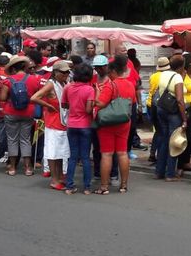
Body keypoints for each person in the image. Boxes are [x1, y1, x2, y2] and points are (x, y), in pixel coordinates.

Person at [93, 56, 136, 194]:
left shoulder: (110, 85)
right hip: (124, 122)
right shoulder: (130, 84)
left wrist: (97, 94)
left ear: (112, 71)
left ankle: (104, 187)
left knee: (107, 155)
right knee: (122, 153)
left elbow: (100, 103)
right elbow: (132, 102)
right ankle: (124, 185)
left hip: (107, 123)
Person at [30, 61, 70, 190]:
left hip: (63, 122)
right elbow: (34, 97)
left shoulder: (64, 83)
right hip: (53, 124)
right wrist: (48, 106)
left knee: (61, 153)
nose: (66, 74)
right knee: (53, 153)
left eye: (67, 72)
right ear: (56, 72)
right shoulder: (51, 84)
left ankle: (59, 177)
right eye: (63, 72)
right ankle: (54, 180)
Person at [0, 56, 41, 176]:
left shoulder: (8, 80)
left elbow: (2, 97)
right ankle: (28, 168)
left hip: (11, 112)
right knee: (26, 139)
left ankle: (12, 167)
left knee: (12, 140)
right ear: (25, 67)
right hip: (28, 112)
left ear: (13, 68)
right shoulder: (33, 79)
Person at [61, 63, 95, 195]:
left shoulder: (68, 87)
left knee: (73, 157)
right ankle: (86, 187)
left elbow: (64, 104)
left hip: (71, 124)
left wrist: (73, 106)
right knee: (85, 157)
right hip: (85, 125)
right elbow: (88, 110)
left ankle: (69, 186)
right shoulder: (89, 89)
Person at [155, 56, 187, 182]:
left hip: (161, 108)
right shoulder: (177, 77)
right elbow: (179, 100)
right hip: (173, 111)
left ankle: (159, 171)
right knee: (173, 142)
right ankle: (170, 174)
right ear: (181, 66)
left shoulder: (163, 74)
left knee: (163, 140)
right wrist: (184, 119)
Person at [176, 53, 191, 173]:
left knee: (190, 137)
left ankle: (186, 161)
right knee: (184, 137)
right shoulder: (181, 76)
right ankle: (180, 163)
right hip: (185, 108)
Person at [146, 57, 169, 163]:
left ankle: (152, 153)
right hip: (160, 105)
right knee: (162, 132)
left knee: (158, 130)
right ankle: (160, 156)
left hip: (150, 104)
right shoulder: (167, 76)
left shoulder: (153, 76)